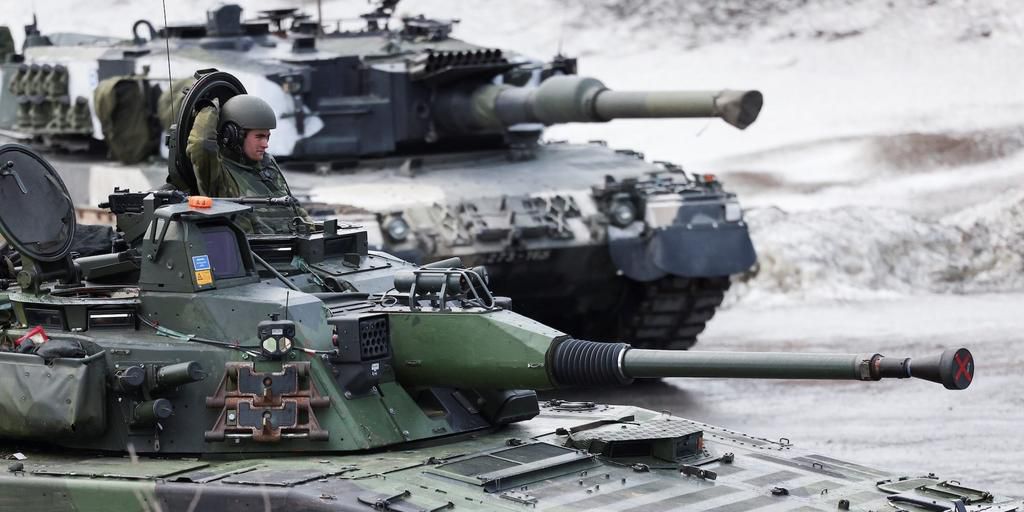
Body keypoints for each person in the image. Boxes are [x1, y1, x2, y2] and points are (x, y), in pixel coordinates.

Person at [183, 95, 310, 234]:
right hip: (257, 254)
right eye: (259, 137)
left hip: (290, 248)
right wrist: (209, 109)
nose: (265, 144)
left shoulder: (266, 166)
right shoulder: (221, 177)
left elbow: (295, 210)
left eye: (267, 137)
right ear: (233, 135)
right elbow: (201, 146)